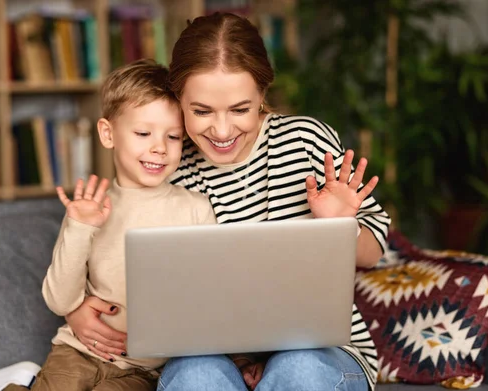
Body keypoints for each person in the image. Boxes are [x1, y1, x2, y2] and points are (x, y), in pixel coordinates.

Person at [65, 12, 391, 391]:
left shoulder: (306, 140)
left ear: (262, 97)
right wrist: (77, 310)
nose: (221, 131)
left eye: (240, 109)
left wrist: (339, 226)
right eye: (201, 111)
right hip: (210, 355)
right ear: (178, 100)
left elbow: (374, 253)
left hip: (320, 353)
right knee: (196, 376)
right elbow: (119, 250)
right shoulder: (165, 161)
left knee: (299, 370)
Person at [0, 59, 216, 391]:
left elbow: (207, 298)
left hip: (140, 371)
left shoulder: (195, 209)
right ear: (107, 133)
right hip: (77, 352)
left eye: (173, 137)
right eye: (143, 133)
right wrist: (78, 226)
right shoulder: (90, 208)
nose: (159, 147)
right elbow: (59, 300)